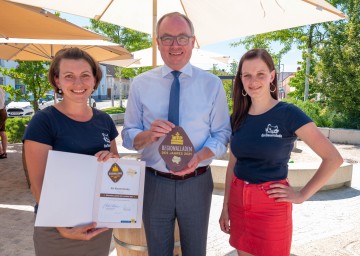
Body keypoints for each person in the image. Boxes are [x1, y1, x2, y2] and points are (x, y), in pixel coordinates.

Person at [122, 12, 231, 256]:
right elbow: (128, 136)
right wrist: (147, 135)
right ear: (157, 42)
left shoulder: (212, 84)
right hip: (154, 183)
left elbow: (222, 133)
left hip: (197, 181)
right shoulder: (140, 84)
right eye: (167, 38)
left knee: (195, 251)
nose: (175, 45)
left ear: (193, 41)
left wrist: (200, 156)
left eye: (182, 38)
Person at [219, 48, 343, 256]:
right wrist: (225, 207)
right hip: (238, 203)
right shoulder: (237, 117)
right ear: (240, 79)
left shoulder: (288, 114)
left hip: (271, 208)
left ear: (272, 76)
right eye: (247, 75)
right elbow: (233, 164)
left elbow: (333, 158)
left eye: (260, 74)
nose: (253, 81)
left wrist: (302, 195)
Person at [23, 48, 119, 256]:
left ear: (95, 80)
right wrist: (62, 228)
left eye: (85, 75)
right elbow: (37, 185)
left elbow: (115, 172)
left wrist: (111, 161)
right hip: (58, 229)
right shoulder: (43, 122)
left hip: (97, 225)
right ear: (57, 81)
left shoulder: (104, 121)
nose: (78, 83)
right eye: (69, 76)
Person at [0, 85, 8, 159]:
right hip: (3, 111)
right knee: (2, 132)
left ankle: (1, 152)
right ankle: (4, 152)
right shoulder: (1, 88)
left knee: (2, 132)